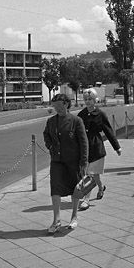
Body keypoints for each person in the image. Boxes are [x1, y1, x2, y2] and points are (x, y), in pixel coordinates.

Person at [43, 93, 88, 233]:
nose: (57, 109)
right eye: (55, 106)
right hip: (57, 161)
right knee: (55, 188)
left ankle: (74, 217)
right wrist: (50, 147)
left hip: (73, 161)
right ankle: (56, 220)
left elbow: (83, 142)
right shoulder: (51, 121)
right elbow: (46, 135)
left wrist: (84, 161)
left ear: (67, 104)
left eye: (60, 106)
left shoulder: (76, 120)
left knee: (76, 188)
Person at [77, 88, 121, 210]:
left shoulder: (101, 114)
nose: (88, 101)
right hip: (85, 149)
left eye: (90, 99)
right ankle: (101, 188)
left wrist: (117, 147)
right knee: (92, 175)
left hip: (96, 148)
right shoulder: (81, 115)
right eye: (86, 99)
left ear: (95, 100)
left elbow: (109, 131)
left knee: (91, 174)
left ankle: (86, 200)